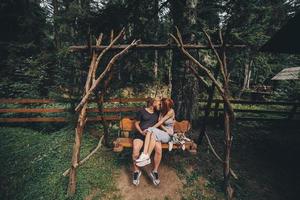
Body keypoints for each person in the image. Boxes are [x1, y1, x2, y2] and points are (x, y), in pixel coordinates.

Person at [135, 98, 175, 184]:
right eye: (160, 104)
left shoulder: (170, 111)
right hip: (160, 133)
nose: (160, 106)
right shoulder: (160, 111)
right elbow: (160, 124)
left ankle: (149, 161)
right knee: (152, 134)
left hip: (166, 135)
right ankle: (146, 157)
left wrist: (152, 128)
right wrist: (162, 128)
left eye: (161, 105)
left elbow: (160, 122)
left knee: (158, 150)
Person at [132, 97, 162, 186]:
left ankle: (155, 171)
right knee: (135, 150)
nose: (159, 105)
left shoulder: (158, 112)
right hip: (141, 134)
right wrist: (141, 131)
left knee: (159, 150)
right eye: (158, 103)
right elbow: (136, 123)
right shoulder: (141, 111)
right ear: (153, 103)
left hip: (153, 135)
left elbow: (168, 112)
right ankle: (137, 171)